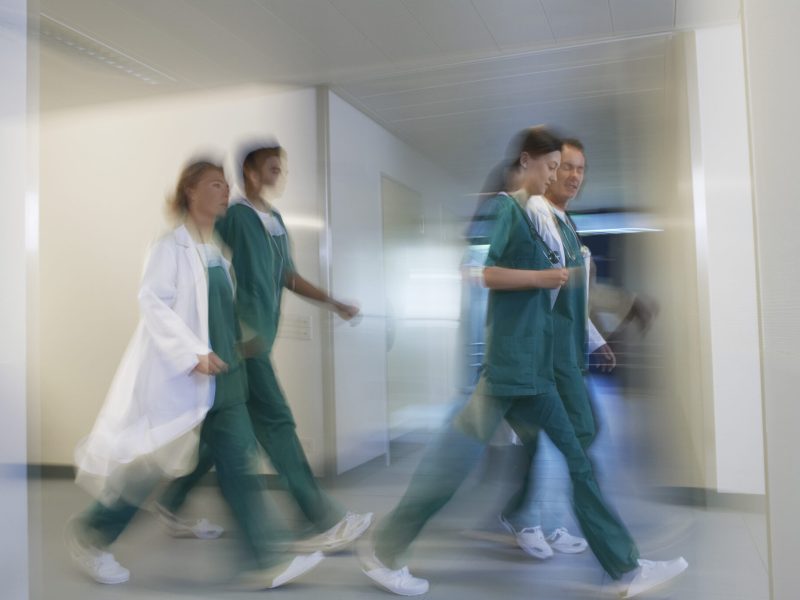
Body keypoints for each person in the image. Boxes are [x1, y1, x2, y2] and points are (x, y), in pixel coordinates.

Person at [358, 128, 687, 598]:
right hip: (508, 371)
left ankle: (622, 567)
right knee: (452, 464)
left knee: (577, 461)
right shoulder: (514, 210)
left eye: (571, 169)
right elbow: (486, 273)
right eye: (555, 167)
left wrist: (592, 333)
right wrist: (548, 279)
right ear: (528, 165)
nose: (564, 175)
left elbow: (564, 298)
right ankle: (387, 548)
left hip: (535, 372)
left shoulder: (550, 223)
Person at [67, 160, 324, 589]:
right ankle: (91, 535)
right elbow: (153, 304)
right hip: (183, 376)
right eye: (215, 184)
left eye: (226, 185)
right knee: (147, 467)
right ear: (190, 191)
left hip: (226, 379)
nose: (226, 192)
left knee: (238, 464)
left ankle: (266, 559)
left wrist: (241, 342)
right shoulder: (169, 247)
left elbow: (217, 313)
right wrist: (192, 353)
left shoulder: (214, 253)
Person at [157, 142, 372, 552]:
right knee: (276, 424)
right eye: (273, 168)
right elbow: (200, 254)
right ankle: (319, 519)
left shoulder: (273, 221)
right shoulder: (235, 216)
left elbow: (286, 275)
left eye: (282, 168)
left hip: (259, 343)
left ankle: (170, 499)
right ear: (251, 174)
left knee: (223, 434)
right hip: (239, 345)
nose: (279, 175)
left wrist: (333, 301)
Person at [498, 137, 617, 558]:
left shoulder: (567, 226)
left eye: (579, 169)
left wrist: (596, 341)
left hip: (565, 355)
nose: (571, 175)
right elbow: (531, 291)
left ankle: (541, 519)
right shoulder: (534, 215)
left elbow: (572, 302)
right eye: (564, 166)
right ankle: (527, 518)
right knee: (549, 436)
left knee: (577, 434)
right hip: (539, 354)